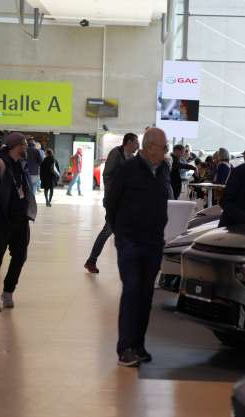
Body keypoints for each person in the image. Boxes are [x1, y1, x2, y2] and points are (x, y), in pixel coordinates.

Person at [105, 127, 169, 367]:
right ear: (149, 147)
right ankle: (125, 349)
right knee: (132, 291)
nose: (165, 152)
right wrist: (121, 234)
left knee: (146, 294)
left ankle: (138, 346)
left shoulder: (163, 169)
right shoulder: (127, 169)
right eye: (163, 147)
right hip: (130, 242)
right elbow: (111, 203)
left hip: (153, 242)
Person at [0, 132, 37, 312]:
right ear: (15, 146)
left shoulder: (21, 164)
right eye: (23, 144)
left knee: (20, 256)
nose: (26, 147)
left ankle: (8, 291)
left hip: (21, 220)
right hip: (2, 221)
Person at [84, 133, 139, 275]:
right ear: (129, 142)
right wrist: (112, 195)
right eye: (136, 142)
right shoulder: (116, 153)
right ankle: (92, 260)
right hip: (114, 201)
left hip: (126, 202)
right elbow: (107, 175)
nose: (137, 146)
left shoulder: (132, 157)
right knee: (108, 230)